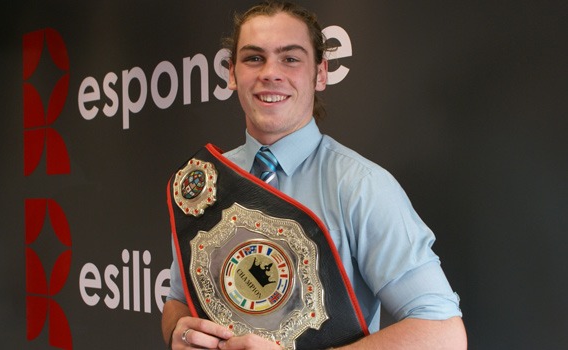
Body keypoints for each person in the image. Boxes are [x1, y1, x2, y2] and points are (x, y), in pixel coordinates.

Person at [162, 1, 467, 349]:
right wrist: (178, 332)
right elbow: (177, 298)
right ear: (232, 73)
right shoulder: (206, 180)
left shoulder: (361, 186)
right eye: (253, 58)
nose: (269, 73)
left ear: (320, 73)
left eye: (290, 58)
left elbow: (443, 333)